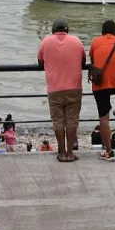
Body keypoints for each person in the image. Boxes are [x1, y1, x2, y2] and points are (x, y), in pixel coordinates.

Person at [37, 18, 85, 162]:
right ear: (67, 30)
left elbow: (40, 61)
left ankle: (62, 152)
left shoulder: (46, 41)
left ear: (53, 31)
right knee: (72, 122)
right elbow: (83, 61)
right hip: (74, 87)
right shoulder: (77, 41)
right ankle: (70, 153)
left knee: (58, 121)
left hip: (54, 88)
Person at [90, 20, 115, 162]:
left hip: (101, 84)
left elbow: (93, 59)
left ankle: (108, 152)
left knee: (104, 119)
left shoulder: (95, 41)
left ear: (102, 32)